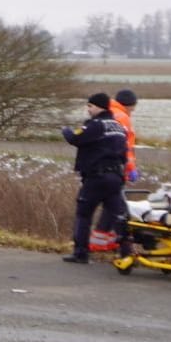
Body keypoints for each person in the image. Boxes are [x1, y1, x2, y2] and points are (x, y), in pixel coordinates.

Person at [60, 92, 134, 264]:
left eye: (90, 106)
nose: (88, 109)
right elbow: (125, 152)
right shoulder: (118, 126)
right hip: (116, 177)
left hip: (96, 178)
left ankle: (80, 253)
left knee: (84, 214)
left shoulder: (96, 125)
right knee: (119, 217)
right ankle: (126, 253)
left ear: (99, 107)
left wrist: (66, 131)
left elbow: (76, 138)